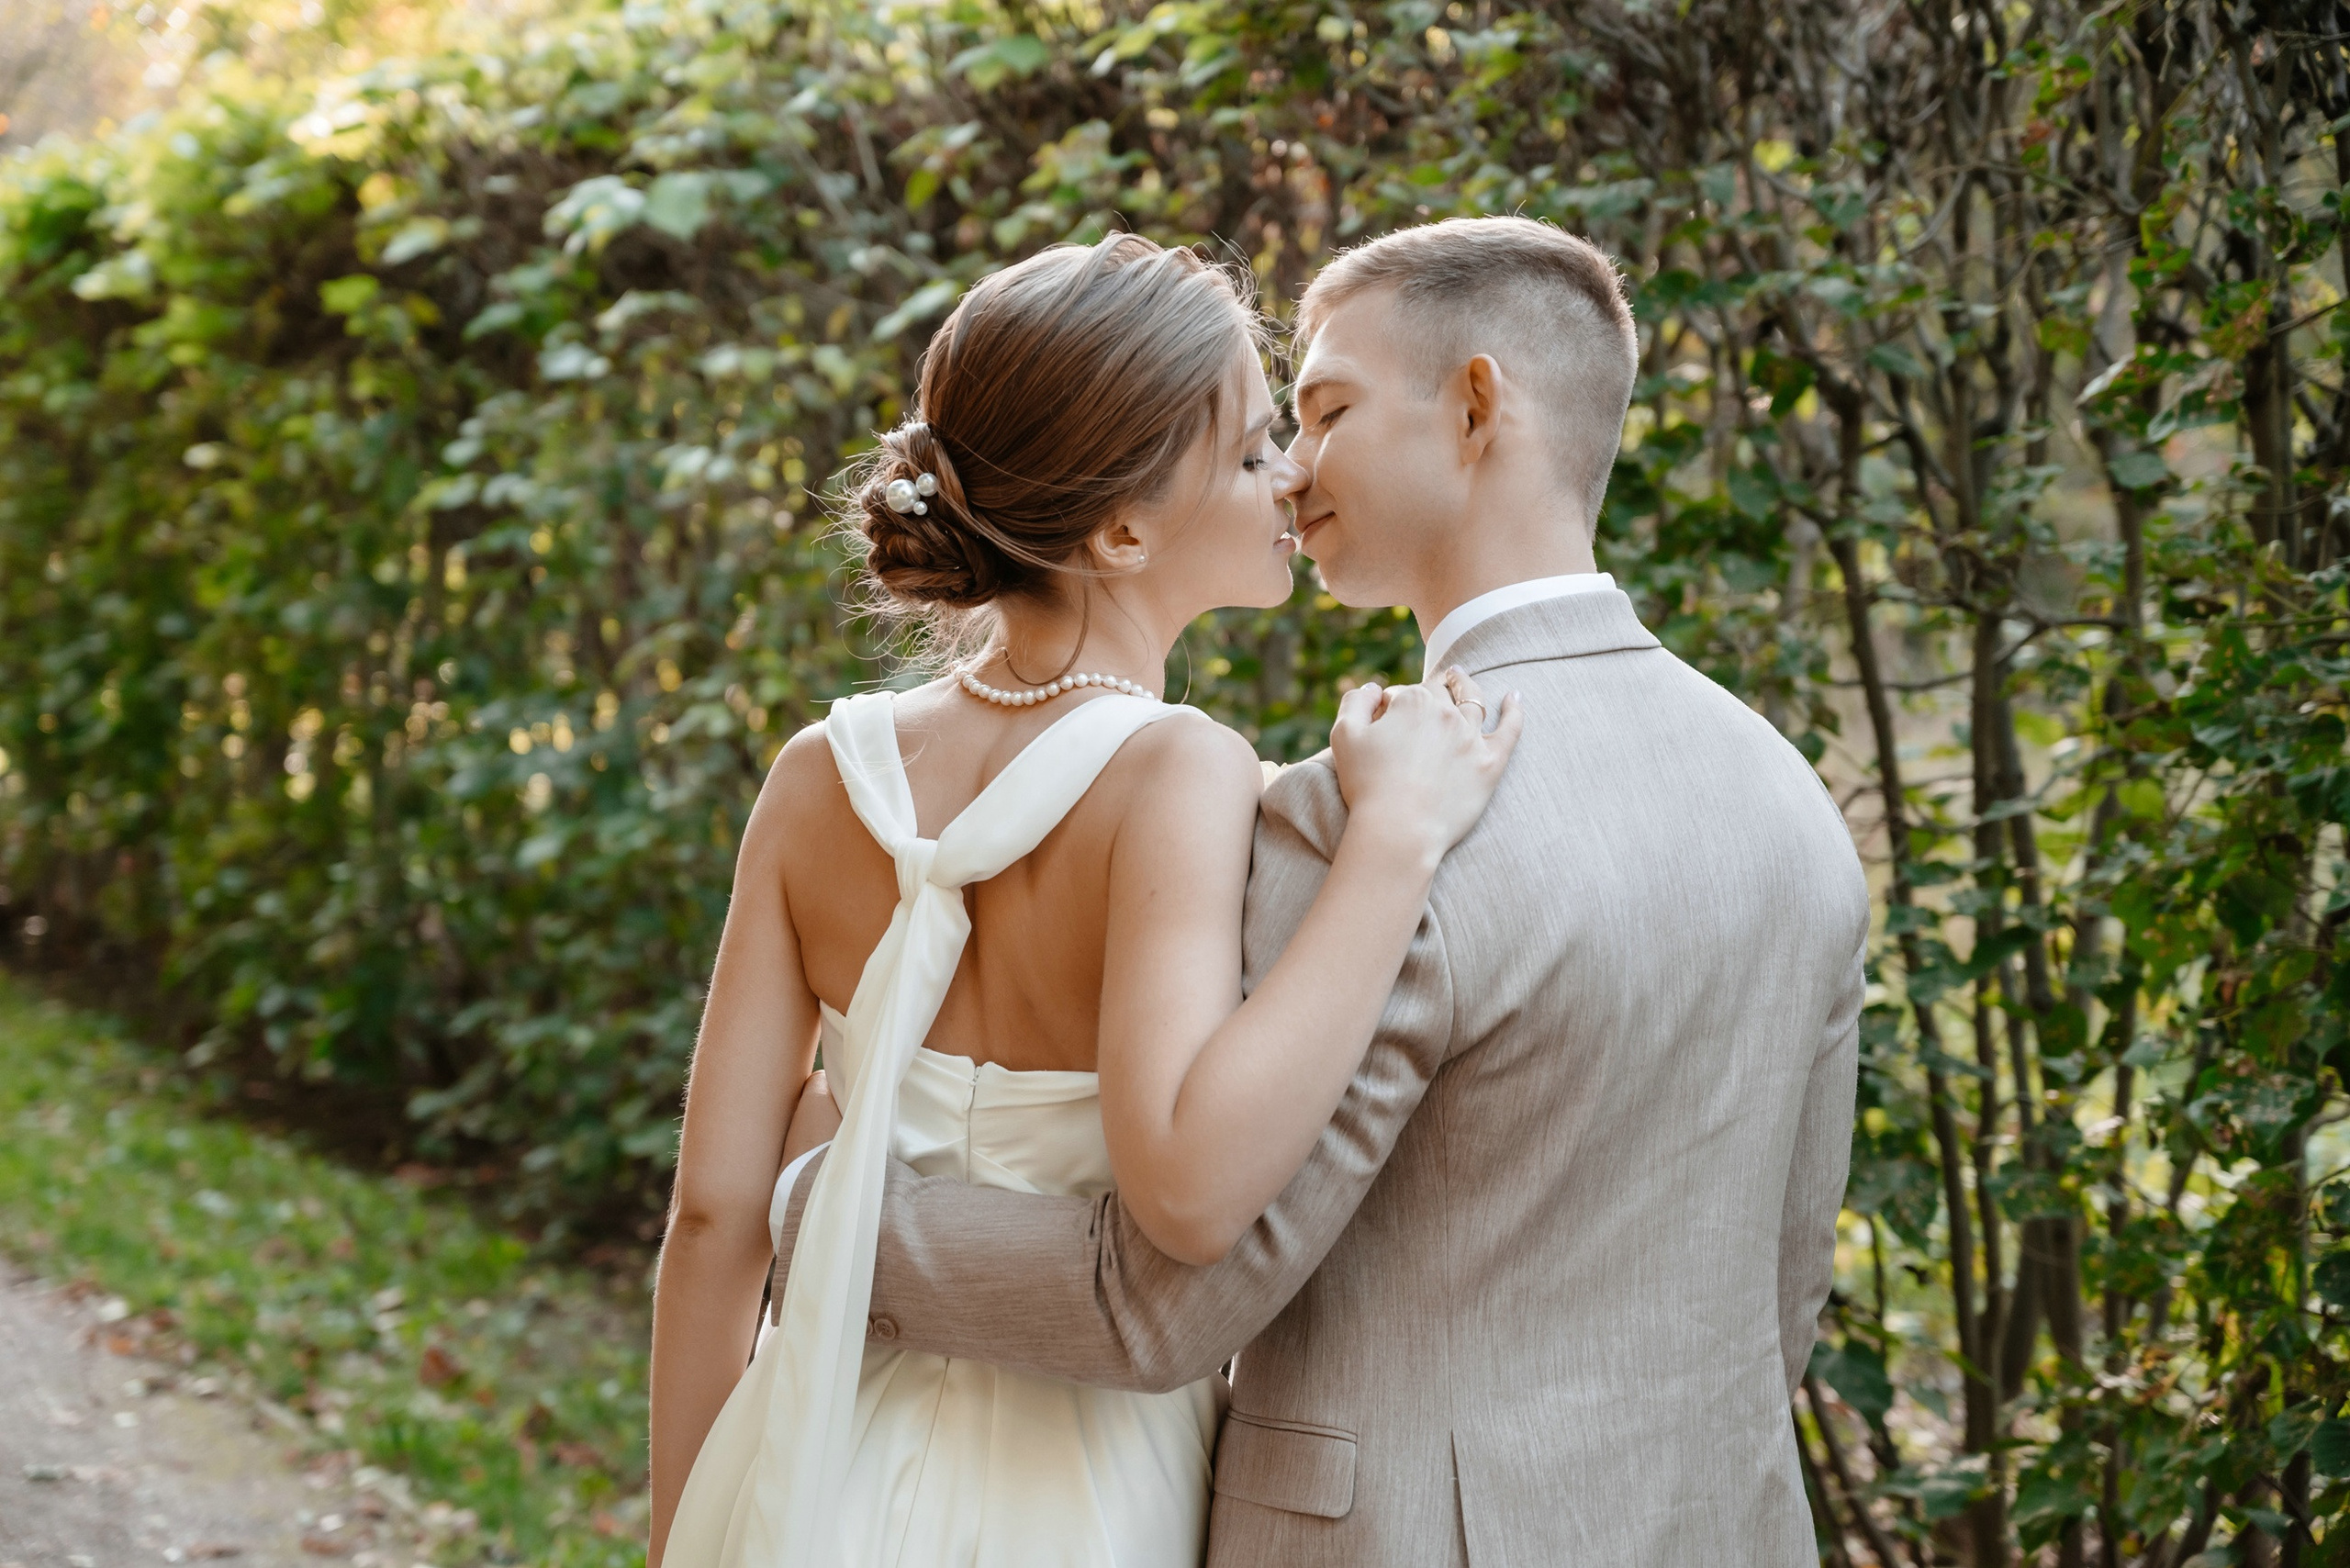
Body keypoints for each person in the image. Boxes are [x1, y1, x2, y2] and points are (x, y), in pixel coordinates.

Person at [768, 215, 1871, 1564]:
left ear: (1476, 408)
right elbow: (1783, 1286)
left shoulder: (1361, 820)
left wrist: (821, 1210)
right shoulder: (1790, 800)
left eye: (1328, 408)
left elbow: (1155, 1306)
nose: (1291, 471)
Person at [645, 232, 1523, 1568]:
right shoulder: (1178, 768)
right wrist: (1394, 845)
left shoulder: (820, 773)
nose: (1289, 472)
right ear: (1119, 531)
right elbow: (1189, 1183)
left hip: (804, 1459)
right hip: (1080, 1497)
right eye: (1244, 453)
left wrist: (687, 1530)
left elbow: (713, 1217)